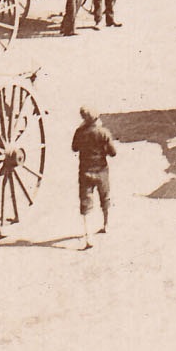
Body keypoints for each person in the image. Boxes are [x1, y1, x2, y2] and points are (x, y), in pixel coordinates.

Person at [70, 106, 117, 247]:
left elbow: (74, 148)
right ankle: (106, 224)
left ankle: (88, 236)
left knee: (85, 204)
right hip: (101, 170)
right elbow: (113, 152)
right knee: (105, 197)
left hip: (85, 171)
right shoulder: (103, 132)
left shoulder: (79, 132)